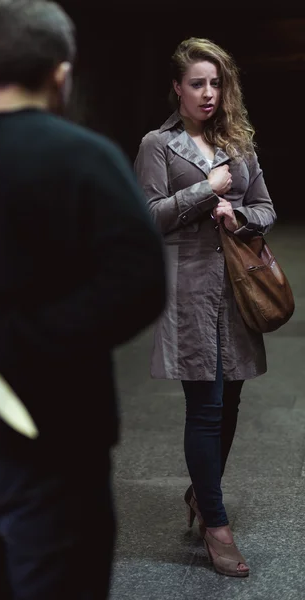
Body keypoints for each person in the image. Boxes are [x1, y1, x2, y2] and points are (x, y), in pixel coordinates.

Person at [0, 1, 166, 598]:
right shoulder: (86, 158)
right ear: (60, 73)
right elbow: (139, 284)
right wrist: (6, 334)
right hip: (56, 443)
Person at [134, 37, 276, 578]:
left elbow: (264, 206)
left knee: (232, 399)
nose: (209, 93)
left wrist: (239, 218)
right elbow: (146, 217)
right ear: (177, 88)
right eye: (198, 83)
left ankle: (201, 493)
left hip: (237, 290)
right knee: (207, 404)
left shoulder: (237, 141)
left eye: (216, 83)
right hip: (190, 289)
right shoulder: (157, 144)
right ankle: (216, 525)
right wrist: (203, 192)